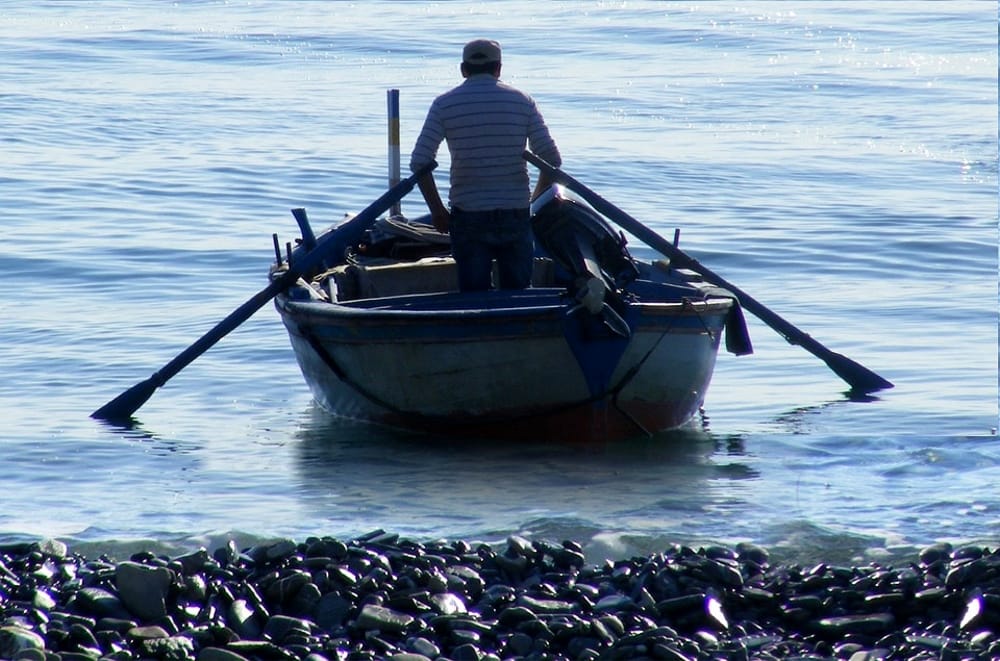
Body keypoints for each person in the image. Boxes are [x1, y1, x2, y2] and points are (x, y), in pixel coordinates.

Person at [409, 38, 562, 292]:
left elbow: (419, 163)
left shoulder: (444, 104)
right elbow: (552, 161)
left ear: (463, 69)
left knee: (473, 297)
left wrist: (437, 211)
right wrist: (532, 203)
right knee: (517, 296)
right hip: (515, 213)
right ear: (498, 68)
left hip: (469, 215)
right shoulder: (522, 101)